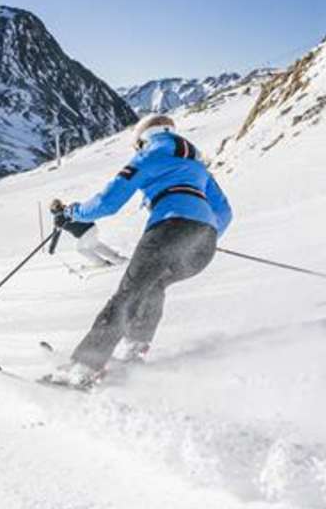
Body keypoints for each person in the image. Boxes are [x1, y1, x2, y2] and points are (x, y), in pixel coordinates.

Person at [47, 113, 233, 389]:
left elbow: (108, 202)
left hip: (169, 230)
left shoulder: (149, 156)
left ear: (142, 139)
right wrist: (201, 230)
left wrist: (72, 213)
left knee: (128, 295)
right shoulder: (197, 167)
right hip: (204, 245)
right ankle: (133, 350)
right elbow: (225, 213)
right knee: (154, 286)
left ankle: (84, 367)